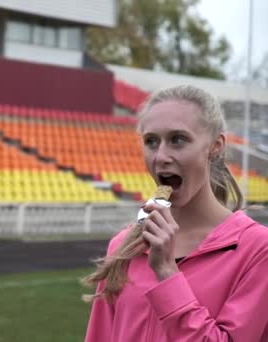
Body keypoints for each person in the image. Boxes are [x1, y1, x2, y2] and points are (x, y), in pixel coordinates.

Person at [83, 85, 268, 341]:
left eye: (178, 140)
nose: (161, 156)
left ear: (215, 146)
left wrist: (167, 273)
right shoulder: (124, 246)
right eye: (151, 142)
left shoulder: (257, 249)